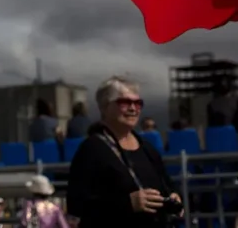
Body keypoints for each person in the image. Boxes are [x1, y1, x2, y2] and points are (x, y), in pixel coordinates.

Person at [67, 76, 182, 227]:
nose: (133, 108)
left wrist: (173, 196)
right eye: (125, 102)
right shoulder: (91, 149)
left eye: (138, 103)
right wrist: (127, 203)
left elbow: (167, 183)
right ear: (104, 107)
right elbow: (77, 205)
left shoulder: (146, 148)